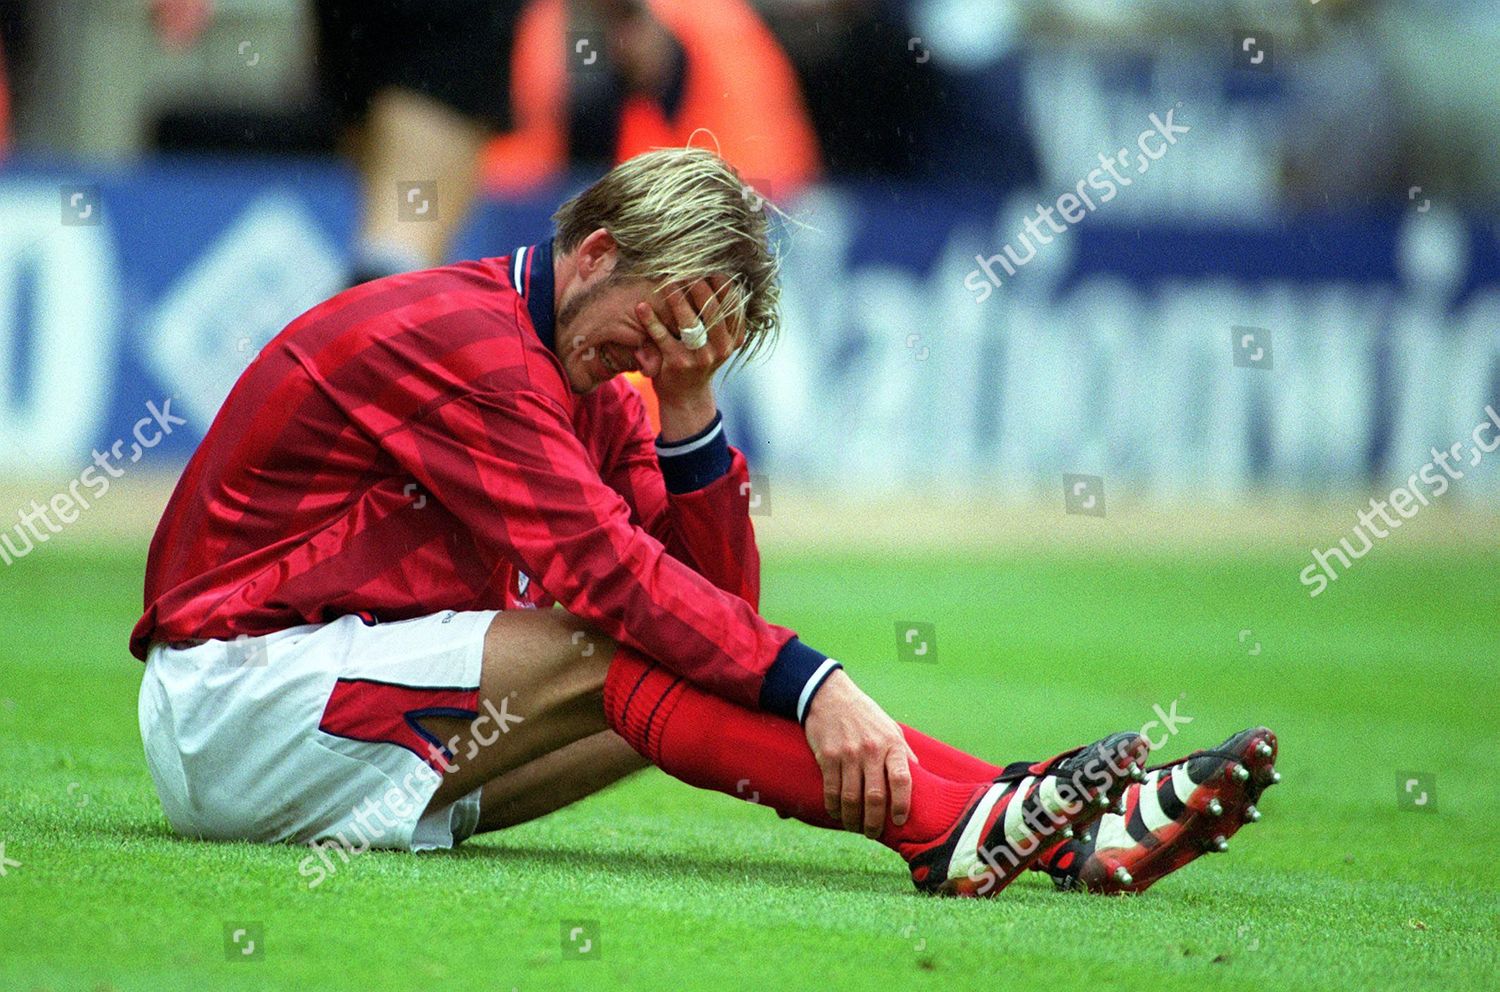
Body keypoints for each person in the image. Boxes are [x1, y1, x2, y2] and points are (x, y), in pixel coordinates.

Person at [131, 148, 1278, 896]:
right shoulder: (469, 342)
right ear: (596, 252)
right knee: (611, 638)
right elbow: (616, 584)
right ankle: (963, 821)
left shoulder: (601, 377)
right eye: (657, 323)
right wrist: (818, 681)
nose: (655, 352)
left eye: (689, 340)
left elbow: (716, 618)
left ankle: (1046, 821)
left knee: (667, 682)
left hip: (341, 718)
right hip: (232, 704)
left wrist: (688, 408)